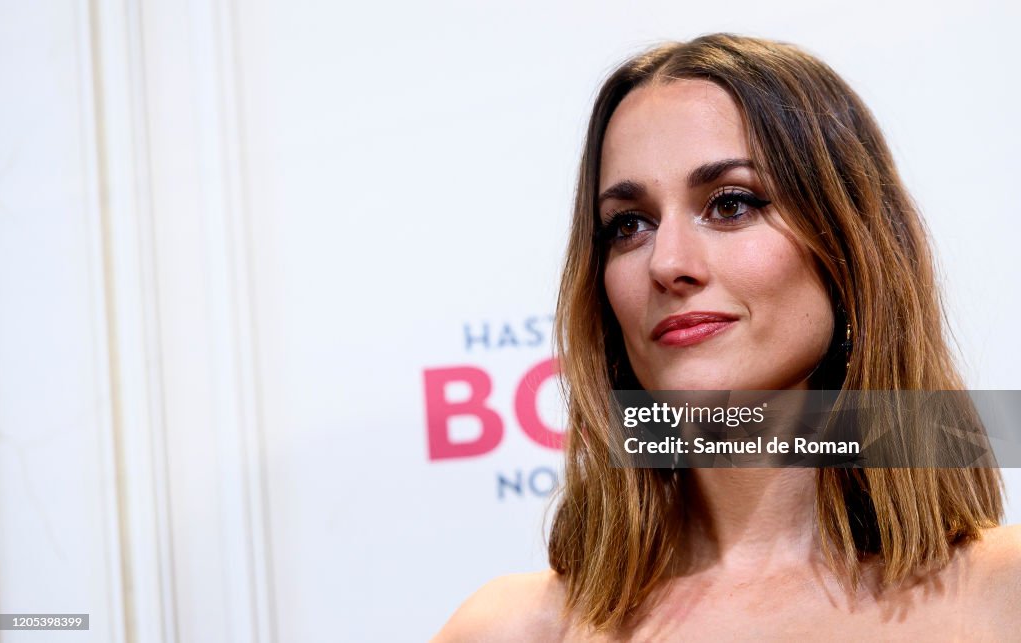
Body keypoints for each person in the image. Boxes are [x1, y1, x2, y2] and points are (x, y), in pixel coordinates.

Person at [432, 33, 1020, 641]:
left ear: (850, 248)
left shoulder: (1003, 593)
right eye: (628, 225)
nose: (667, 262)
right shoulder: (514, 628)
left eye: (731, 204)